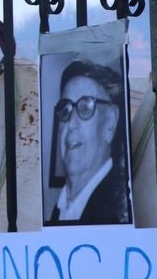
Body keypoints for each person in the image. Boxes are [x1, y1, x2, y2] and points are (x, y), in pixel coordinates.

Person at [45, 60, 131, 225]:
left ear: (111, 123)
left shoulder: (119, 211)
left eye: (85, 108)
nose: (70, 124)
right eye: (65, 109)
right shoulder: (59, 208)